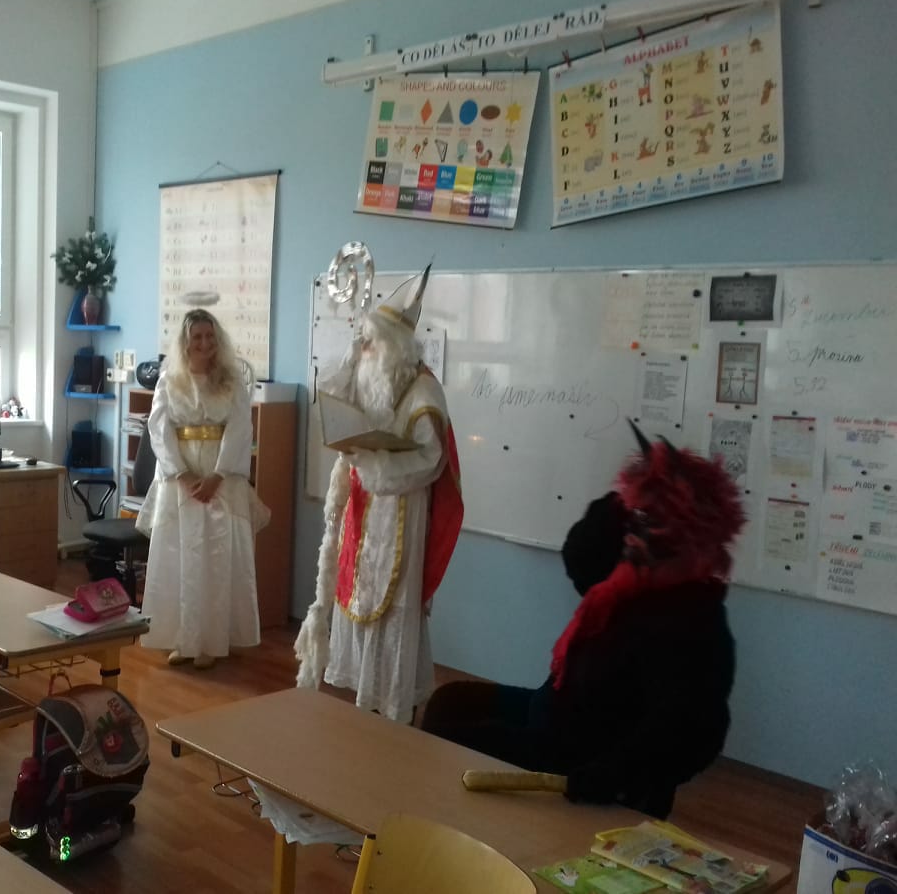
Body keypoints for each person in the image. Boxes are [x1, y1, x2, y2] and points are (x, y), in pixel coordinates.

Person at [420, 425, 744, 818]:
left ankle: (454, 826)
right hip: (556, 711)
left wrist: (609, 777)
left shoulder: (695, 619)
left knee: (442, 741)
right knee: (450, 703)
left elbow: (696, 732)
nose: (636, 531)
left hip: (577, 757)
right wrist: (623, 504)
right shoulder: (625, 580)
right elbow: (581, 558)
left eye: (649, 520)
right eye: (637, 516)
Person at [295, 268, 463, 722]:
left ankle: (392, 705)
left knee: (394, 607)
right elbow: (335, 398)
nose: (365, 348)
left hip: (402, 511)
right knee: (360, 595)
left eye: (371, 342)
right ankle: (364, 697)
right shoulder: (375, 376)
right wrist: (354, 356)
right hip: (365, 507)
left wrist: (375, 466)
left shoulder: (424, 391)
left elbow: (431, 459)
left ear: (393, 346)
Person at [136, 309, 269, 669]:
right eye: (197, 337)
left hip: (219, 478)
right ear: (185, 341)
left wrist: (218, 475)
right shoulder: (169, 380)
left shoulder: (230, 380)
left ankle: (211, 640)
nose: (205, 343)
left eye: (210, 336)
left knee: (215, 557)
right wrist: (181, 474)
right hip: (182, 478)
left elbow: (240, 427)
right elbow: (159, 428)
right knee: (180, 556)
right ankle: (184, 638)